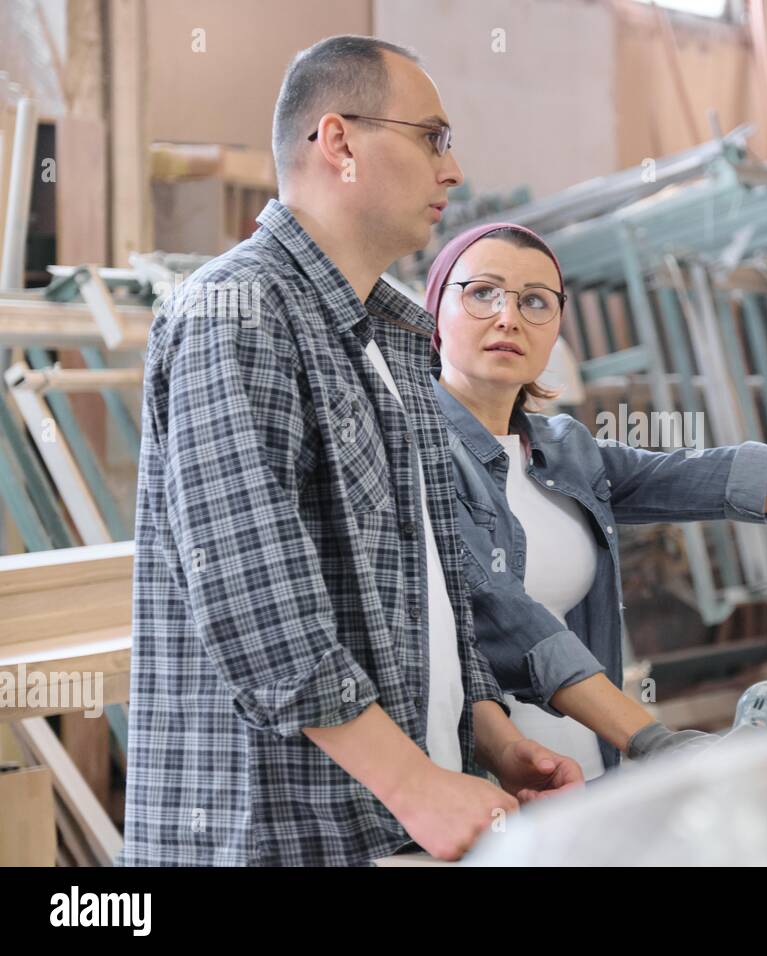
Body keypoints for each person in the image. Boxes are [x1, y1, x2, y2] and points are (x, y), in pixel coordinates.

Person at [125, 36, 580, 867]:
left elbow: (422, 593)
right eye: (432, 138)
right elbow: (255, 598)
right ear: (338, 141)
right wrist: (415, 785)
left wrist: (488, 732)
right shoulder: (238, 311)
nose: (452, 170)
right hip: (280, 832)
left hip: (394, 826)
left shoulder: (394, 339)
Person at [423, 222, 767, 780]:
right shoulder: (417, 456)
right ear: (435, 308)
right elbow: (506, 616)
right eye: (482, 292)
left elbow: (708, 476)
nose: (508, 316)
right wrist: (653, 739)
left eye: (535, 300)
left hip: (588, 759)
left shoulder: (565, 450)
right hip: (483, 772)